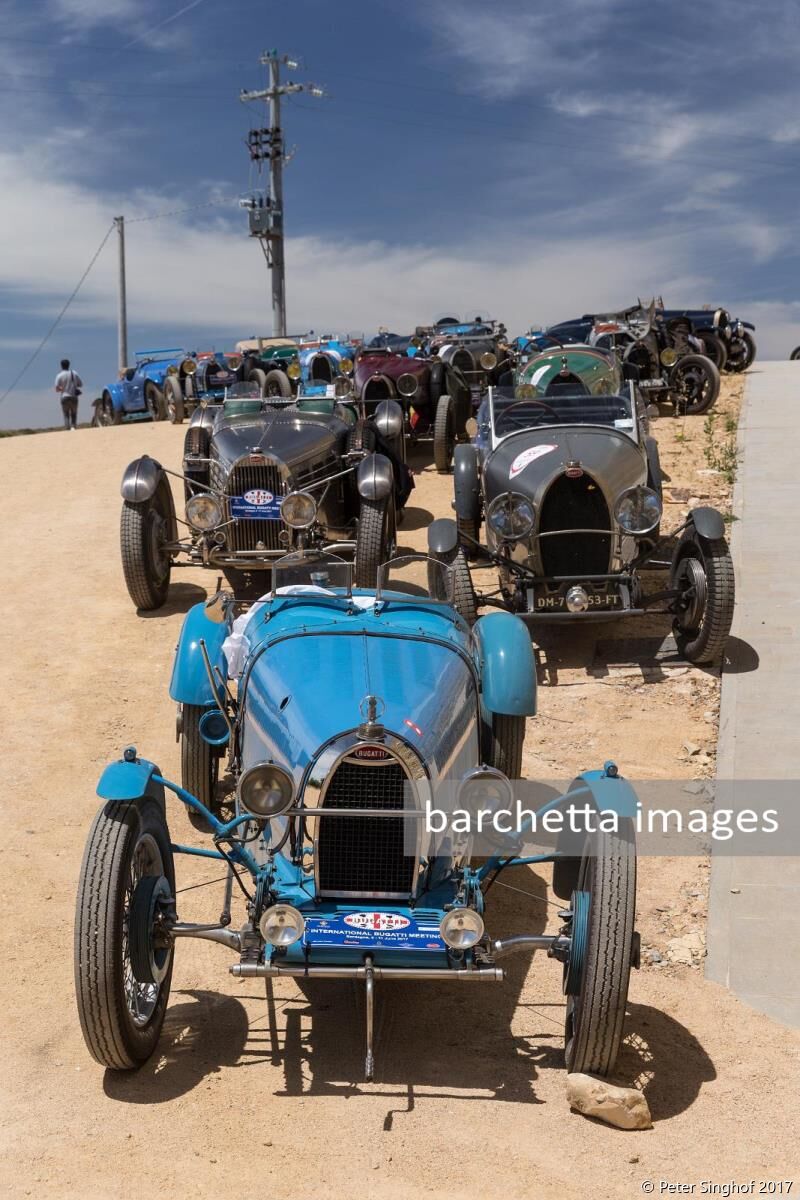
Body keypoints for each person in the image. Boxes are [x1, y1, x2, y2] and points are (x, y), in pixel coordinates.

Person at [54, 358, 83, 430]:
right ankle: (73, 428)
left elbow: (57, 389)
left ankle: (67, 429)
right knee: (74, 414)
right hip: (74, 396)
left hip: (64, 397)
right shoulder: (74, 373)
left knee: (66, 414)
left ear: (61, 366)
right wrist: (74, 385)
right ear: (69, 365)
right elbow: (81, 384)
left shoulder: (59, 375)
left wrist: (62, 388)